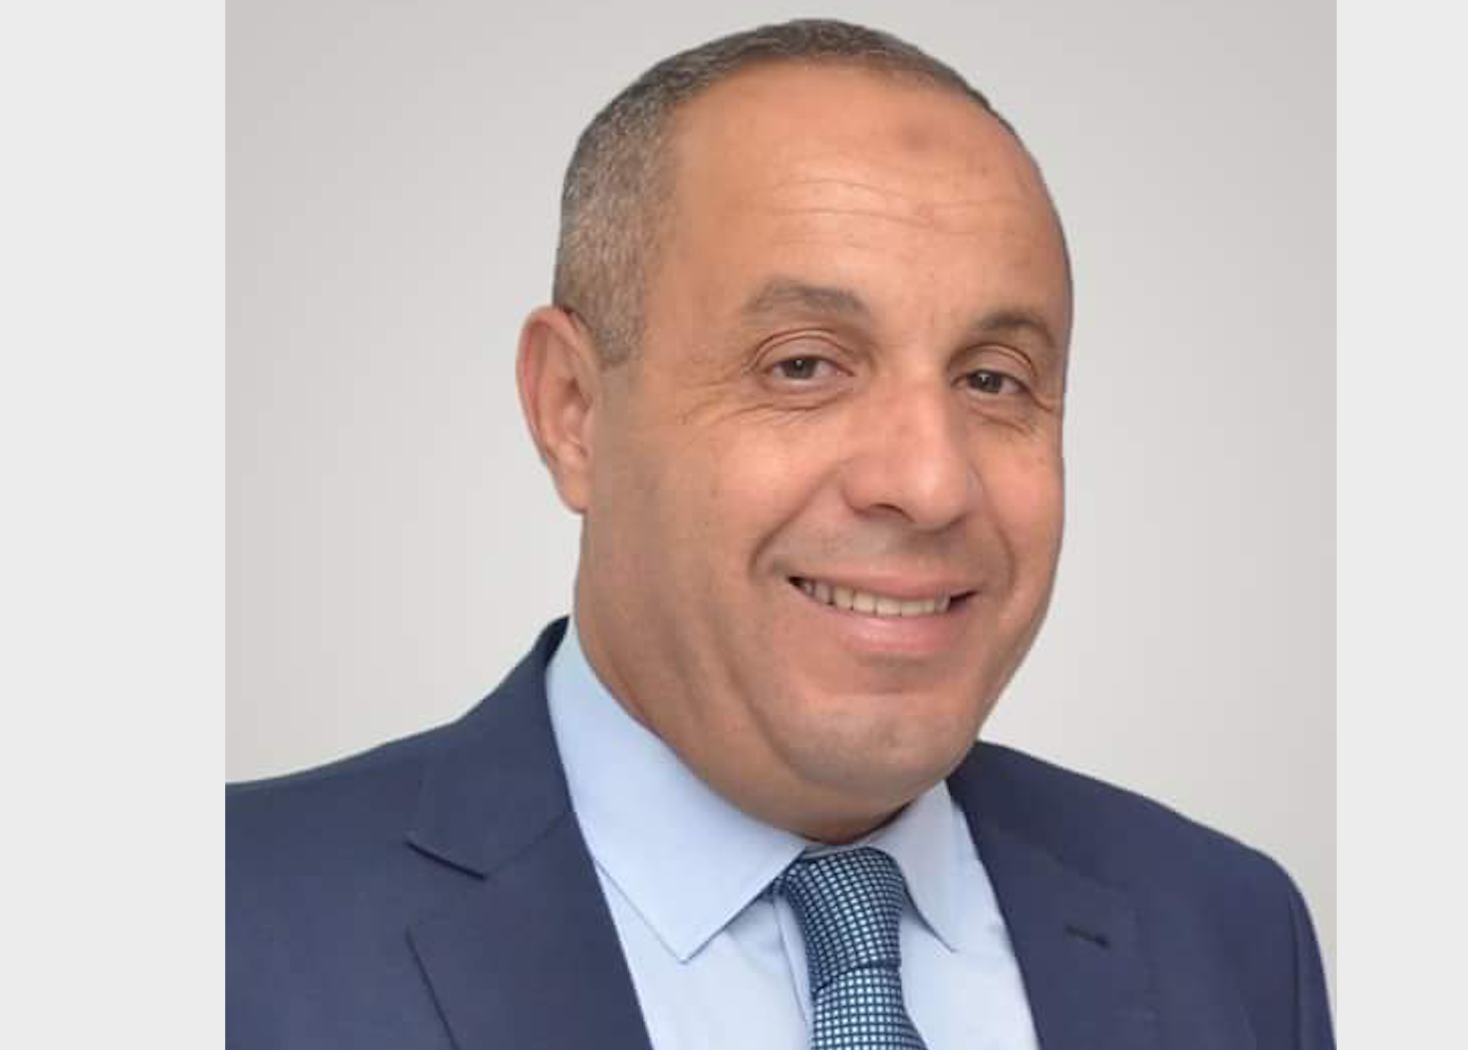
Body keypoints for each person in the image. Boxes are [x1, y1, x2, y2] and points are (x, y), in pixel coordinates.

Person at [228, 19, 1334, 1049]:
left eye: (993, 380)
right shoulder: (230, 930)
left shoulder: (1227, 932)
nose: (929, 482)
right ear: (573, 410)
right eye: (803, 365)